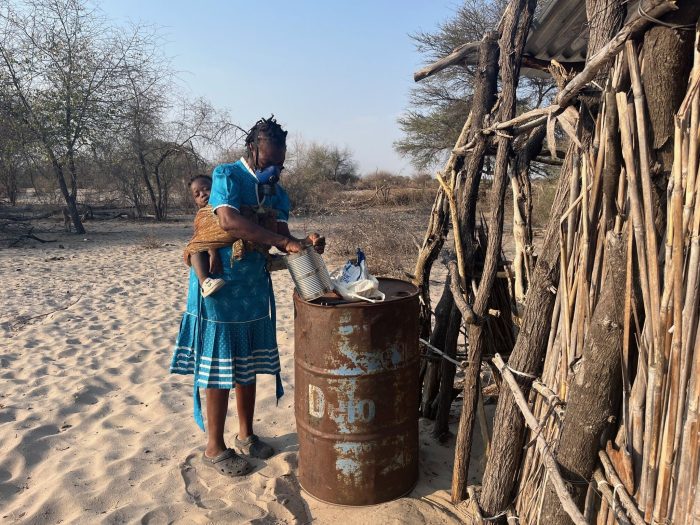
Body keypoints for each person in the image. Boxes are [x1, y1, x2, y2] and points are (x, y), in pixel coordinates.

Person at [170, 116, 325, 477]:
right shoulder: (227, 176)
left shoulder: (278, 194)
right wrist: (285, 241)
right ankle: (214, 447)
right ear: (252, 149)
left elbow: (283, 235)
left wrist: (305, 244)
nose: (274, 169)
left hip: (254, 287)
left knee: (248, 362)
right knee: (219, 365)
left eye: (280, 164)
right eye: (268, 160)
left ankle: (246, 434)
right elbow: (228, 221)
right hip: (220, 288)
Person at [185, 175, 226, 297]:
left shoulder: (226, 207)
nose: (202, 194)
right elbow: (203, 236)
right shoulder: (201, 215)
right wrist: (212, 250)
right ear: (196, 201)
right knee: (193, 248)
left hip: (227, 241)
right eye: (197, 194)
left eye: (206, 188)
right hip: (205, 249)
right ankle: (205, 282)